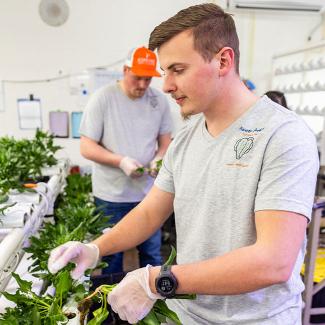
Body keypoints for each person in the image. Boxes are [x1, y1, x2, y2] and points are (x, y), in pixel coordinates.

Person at [48, 4, 319, 324]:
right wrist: (95, 248)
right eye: (166, 73)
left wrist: (155, 281)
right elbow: (150, 212)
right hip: (185, 314)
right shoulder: (187, 139)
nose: (166, 86)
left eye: (178, 70)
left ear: (223, 60)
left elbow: (273, 261)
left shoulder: (282, 135)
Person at [78, 46, 173, 274]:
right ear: (125, 70)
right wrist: (120, 161)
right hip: (111, 197)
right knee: (111, 258)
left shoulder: (159, 101)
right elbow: (86, 146)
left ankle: (152, 306)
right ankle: (109, 308)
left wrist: (159, 160)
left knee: (151, 256)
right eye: (137, 77)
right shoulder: (103, 99)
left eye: (148, 79)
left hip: (149, 194)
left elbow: (166, 142)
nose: (142, 85)